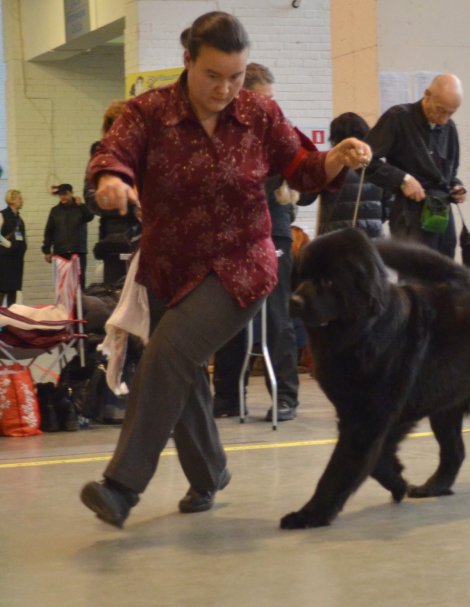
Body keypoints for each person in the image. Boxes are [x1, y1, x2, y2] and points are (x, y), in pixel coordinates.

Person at [79, 11, 371, 528]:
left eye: (235, 76)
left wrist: (336, 159)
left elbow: (301, 170)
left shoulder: (259, 114)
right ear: (187, 60)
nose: (225, 88)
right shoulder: (148, 112)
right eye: (213, 75)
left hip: (242, 265)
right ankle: (210, 472)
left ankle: (122, 486)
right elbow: (112, 152)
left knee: (168, 353)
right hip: (170, 268)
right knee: (180, 368)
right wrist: (111, 180)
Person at [212, 62, 304, 423]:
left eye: (273, 100)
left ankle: (285, 397)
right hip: (232, 235)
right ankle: (228, 398)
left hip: (273, 232)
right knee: (229, 317)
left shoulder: (281, 133)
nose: (271, 107)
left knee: (276, 315)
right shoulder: (223, 132)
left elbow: (308, 187)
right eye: (264, 99)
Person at [364, 73, 466, 258]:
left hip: (441, 214)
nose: (444, 119)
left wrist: (456, 186)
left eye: (451, 113)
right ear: (427, 94)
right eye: (440, 110)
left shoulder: (449, 128)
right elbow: (364, 161)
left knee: (447, 277)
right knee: (415, 278)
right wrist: (403, 179)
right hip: (409, 214)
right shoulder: (398, 118)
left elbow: (450, 173)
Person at [85, 99, 141, 285]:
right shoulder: (100, 156)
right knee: (116, 296)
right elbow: (92, 200)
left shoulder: (149, 152)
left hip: (150, 239)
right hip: (117, 241)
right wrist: (130, 204)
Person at [316, 112, 390, 238]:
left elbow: (304, 199)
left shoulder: (329, 165)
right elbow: (388, 209)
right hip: (372, 240)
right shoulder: (380, 168)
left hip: (334, 239)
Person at [42, 184, 93, 288]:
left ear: (71, 194)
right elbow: (49, 231)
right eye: (60, 195)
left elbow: (90, 216)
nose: (63, 197)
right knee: (62, 282)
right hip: (61, 251)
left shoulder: (80, 208)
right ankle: (63, 304)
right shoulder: (55, 211)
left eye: (65, 194)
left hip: (78, 250)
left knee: (79, 280)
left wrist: (82, 205)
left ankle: (80, 303)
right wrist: (46, 250)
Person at [0, 190, 27, 306]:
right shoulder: (2, 215)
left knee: (14, 292)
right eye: (19, 198)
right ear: (12, 200)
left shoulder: (19, 220)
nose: (21, 201)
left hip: (17, 261)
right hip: (4, 260)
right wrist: (9, 245)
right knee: (2, 289)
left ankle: (10, 322)